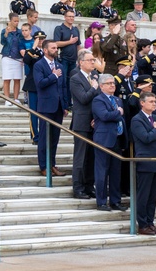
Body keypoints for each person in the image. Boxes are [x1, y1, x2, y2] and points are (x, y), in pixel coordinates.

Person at [131, 91, 156, 235]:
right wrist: (155, 129)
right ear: (142, 103)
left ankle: (150, 223)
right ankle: (142, 224)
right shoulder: (137, 120)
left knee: (153, 196)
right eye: (151, 101)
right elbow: (145, 138)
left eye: (155, 101)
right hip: (145, 161)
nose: (154, 104)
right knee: (143, 195)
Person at [33, 40, 66, 177]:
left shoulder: (60, 65)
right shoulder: (39, 65)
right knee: (44, 138)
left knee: (55, 138)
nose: (56, 50)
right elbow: (40, 83)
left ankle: (52, 164)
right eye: (53, 48)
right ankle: (43, 165)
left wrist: (65, 105)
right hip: (46, 107)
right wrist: (53, 76)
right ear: (45, 50)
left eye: (57, 48)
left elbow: (63, 87)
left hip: (58, 107)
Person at [92, 74, 125, 211]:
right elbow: (104, 116)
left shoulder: (117, 100)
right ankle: (101, 201)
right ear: (101, 86)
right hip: (104, 140)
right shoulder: (98, 100)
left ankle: (115, 201)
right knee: (102, 171)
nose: (113, 85)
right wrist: (118, 112)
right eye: (109, 83)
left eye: (113, 83)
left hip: (117, 138)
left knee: (116, 171)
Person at [69, 51, 100, 197]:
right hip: (81, 123)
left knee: (91, 157)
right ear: (81, 62)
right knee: (80, 157)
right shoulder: (75, 78)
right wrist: (94, 87)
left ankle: (89, 185)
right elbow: (83, 98)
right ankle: (78, 187)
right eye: (90, 60)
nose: (93, 63)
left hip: (93, 122)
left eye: (93, 60)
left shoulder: (95, 77)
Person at [0, 12, 23, 101]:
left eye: (17, 21)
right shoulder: (4, 30)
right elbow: (2, 42)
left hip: (18, 57)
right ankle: (7, 99)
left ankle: (16, 98)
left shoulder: (20, 32)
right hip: (7, 55)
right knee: (7, 78)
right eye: (15, 21)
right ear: (10, 21)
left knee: (17, 78)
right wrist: (6, 34)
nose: (16, 23)